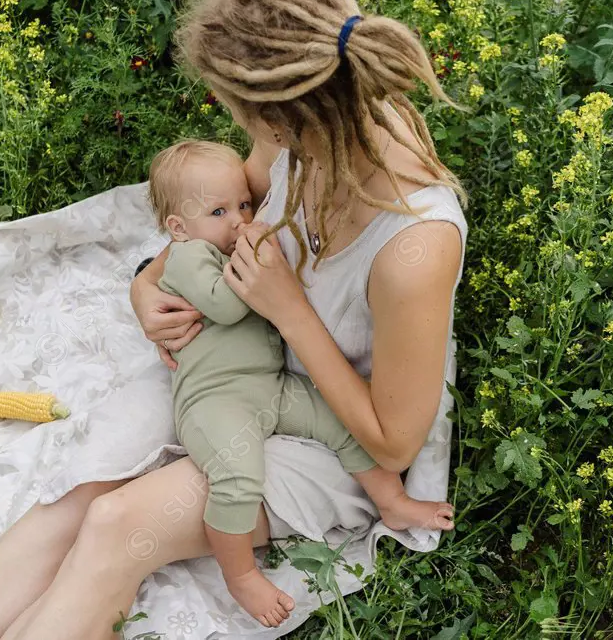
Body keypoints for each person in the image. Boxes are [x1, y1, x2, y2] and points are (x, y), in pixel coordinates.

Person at [0, 0, 468, 639]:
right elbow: (224, 211)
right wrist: (148, 283)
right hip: (234, 357)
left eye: (233, 107)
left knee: (118, 525)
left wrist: (287, 308)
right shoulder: (306, 123)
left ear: (275, 111)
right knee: (78, 492)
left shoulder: (415, 243)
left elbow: (393, 442)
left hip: (336, 426)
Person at [146, 139, 454, 626]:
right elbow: (226, 305)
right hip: (217, 400)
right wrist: (148, 285)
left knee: (337, 422)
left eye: (245, 206)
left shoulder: (414, 239)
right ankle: (241, 576)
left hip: (270, 386)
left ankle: (392, 502)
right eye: (220, 211)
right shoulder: (190, 256)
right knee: (235, 478)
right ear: (179, 228)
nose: (239, 221)